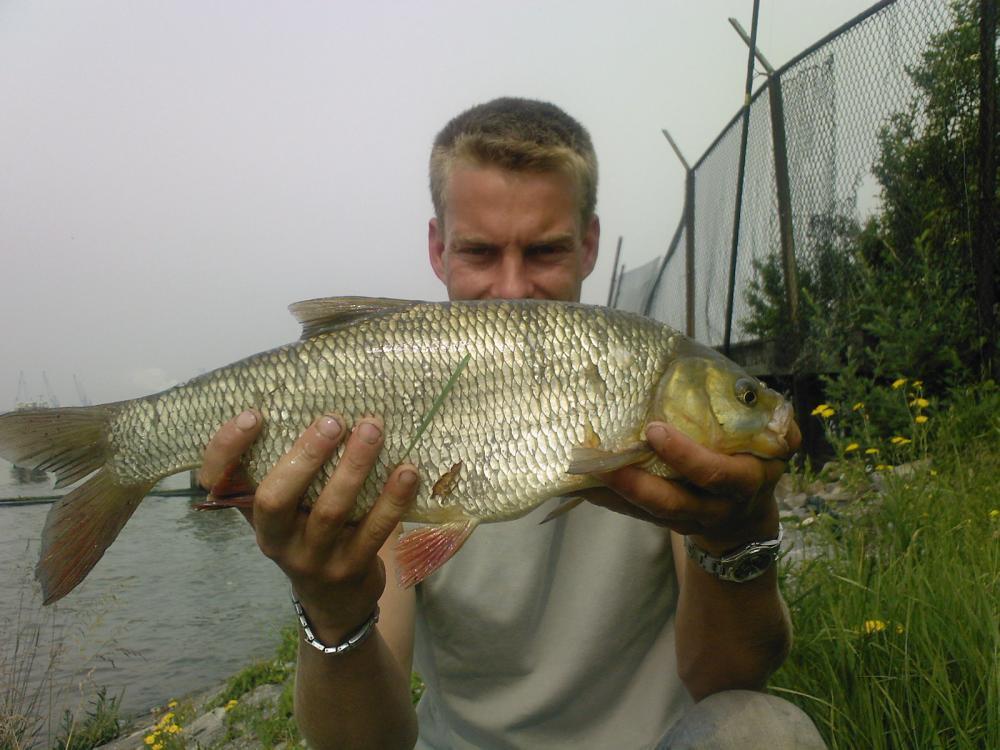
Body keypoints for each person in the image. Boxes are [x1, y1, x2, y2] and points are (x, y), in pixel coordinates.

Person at [197, 98, 823, 749]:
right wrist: (329, 607)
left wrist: (738, 537)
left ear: (588, 245)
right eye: (480, 252)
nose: (513, 289)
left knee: (765, 731)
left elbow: (729, 679)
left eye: (546, 252)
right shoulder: (391, 416)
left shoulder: (655, 394)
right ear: (439, 249)